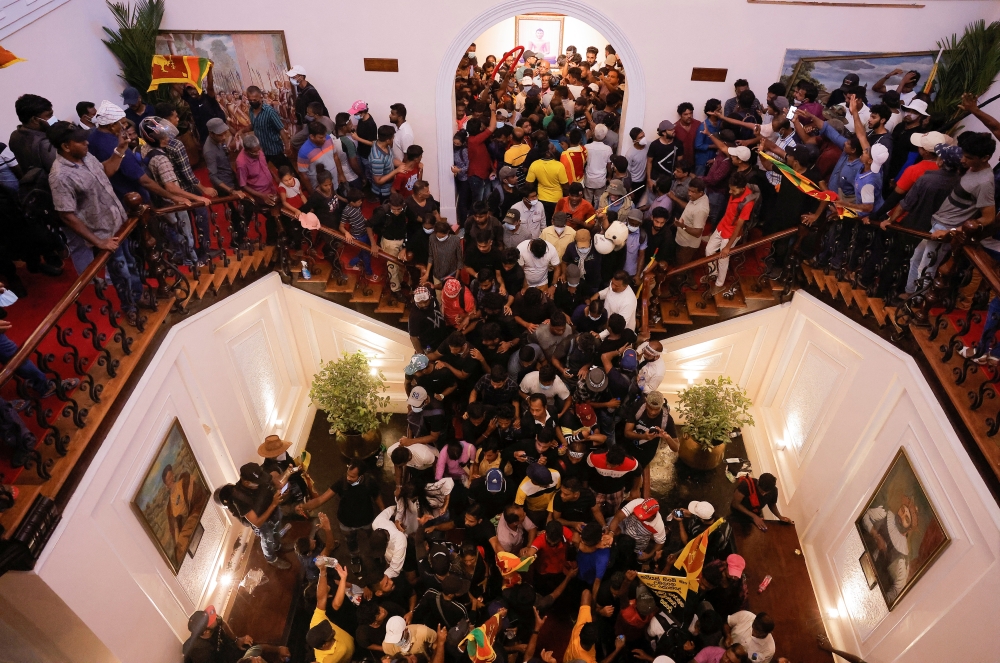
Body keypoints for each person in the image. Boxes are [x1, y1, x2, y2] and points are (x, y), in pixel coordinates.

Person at [47, 122, 144, 317]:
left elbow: (105, 172)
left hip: (120, 224)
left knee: (132, 264)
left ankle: (139, 297)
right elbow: (66, 215)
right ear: (66, 146)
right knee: (121, 274)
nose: (87, 143)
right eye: (80, 141)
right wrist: (98, 241)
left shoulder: (86, 156)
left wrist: (121, 149)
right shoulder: (60, 176)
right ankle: (130, 309)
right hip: (104, 234)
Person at [215, 463, 290, 569]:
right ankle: (271, 559)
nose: (261, 483)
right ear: (246, 482)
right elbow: (257, 522)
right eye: (258, 482)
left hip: (274, 512)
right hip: (264, 522)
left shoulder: (260, 476)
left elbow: (274, 483)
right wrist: (274, 503)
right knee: (268, 540)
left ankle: (278, 547)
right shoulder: (239, 499)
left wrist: (282, 489)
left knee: (277, 530)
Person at [704, 171, 756, 297]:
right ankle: (713, 273)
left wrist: (728, 247)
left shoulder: (747, 203)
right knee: (708, 250)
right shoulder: (736, 189)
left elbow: (739, 227)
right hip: (723, 226)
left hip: (732, 232)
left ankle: (719, 284)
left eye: (733, 190)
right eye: (730, 189)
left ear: (743, 189)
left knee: (723, 257)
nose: (730, 192)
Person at [182, 605, 290, 663]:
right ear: (205, 631)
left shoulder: (214, 622)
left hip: (233, 651)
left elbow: (222, 622)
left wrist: (237, 640)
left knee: (252, 646)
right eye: (211, 620)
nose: (215, 617)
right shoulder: (201, 653)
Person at [306, 562, 356, 663]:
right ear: (324, 645)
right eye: (331, 635)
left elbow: (321, 598)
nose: (333, 632)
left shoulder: (316, 621)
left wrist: (323, 572)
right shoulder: (326, 659)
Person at [247, 85, 289, 169]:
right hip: (262, 149)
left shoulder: (269, 111)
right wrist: (241, 131)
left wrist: (287, 147)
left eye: (255, 100)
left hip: (274, 149)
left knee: (286, 171)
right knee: (261, 170)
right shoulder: (251, 110)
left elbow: (281, 129)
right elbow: (254, 126)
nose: (252, 102)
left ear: (261, 97)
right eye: (250, 100)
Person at [527, 143, 570, 222]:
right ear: (548, 152)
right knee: (556, 221)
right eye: (553, 148)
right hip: (557, 200)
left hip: (541, 199)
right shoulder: (559, 166)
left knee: (544, 222)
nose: (555, 149)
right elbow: (565, 186)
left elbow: (529, 184)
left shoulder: (534, 164)